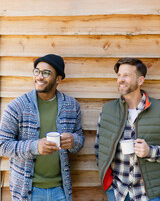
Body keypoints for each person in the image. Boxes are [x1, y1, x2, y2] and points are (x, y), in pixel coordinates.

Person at [0, 54, 84, 201]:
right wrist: (34, 147)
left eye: (46, 73)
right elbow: (3, 145)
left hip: (60, 190)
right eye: (37, 71)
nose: (39, 77)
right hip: (28, 191)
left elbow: (79, 140)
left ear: (58, 79)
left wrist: (73, 140)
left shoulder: (71, 106)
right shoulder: (17, 106)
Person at [95, 57, 160, 201]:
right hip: (118, 192)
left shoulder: (158, 110)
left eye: (126, 75)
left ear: (140, 80)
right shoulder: (107, 110)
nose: (120, 79)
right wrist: (109, 186)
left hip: (150, 194)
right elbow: (99, 148)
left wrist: (150, 151)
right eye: (119, 75)